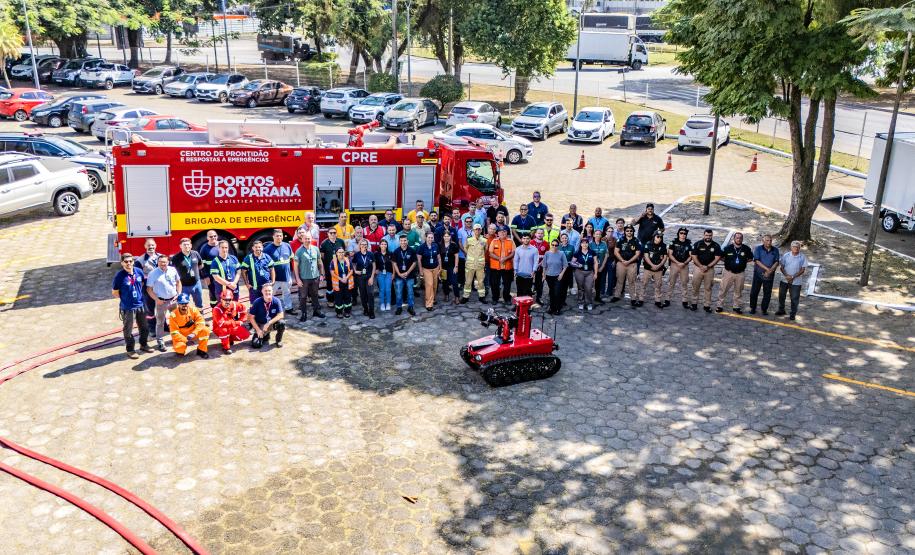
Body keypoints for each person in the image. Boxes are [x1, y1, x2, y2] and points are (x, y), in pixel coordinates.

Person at [112, 253, 152, 359]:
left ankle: (144, 345)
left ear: (133, 262)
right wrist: (126, 299)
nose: (128, 263)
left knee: (144, 327)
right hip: (128, 307)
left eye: (130, 261)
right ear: (122, 263)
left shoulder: (139, 271)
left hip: (140, 304)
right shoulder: (119, 276)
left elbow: (142, 283)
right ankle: (130, 350)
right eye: (126, 262)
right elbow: (115, 292)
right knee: (128, 329)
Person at [147, 254, 182, 352]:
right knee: (160, 322)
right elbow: (149, 289)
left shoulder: (173, 270)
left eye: (165, 262)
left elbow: (178, 282)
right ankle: (160, 341)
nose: (163, 264)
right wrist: (156, 299)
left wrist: (178, 294)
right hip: (161, 302)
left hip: (173, 300)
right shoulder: (153, 273)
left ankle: (178, 337)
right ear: (158, 263)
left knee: (177, 319)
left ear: (168, 262)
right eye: (160, 262)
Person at [717, 232, 754, 313]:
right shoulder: (727, 248)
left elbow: (751, 258)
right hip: (728, 272)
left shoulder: (746, 249)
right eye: (737, 238)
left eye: (740, 238)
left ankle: (736, 306)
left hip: (740, 273)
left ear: (742, 239)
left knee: (738, 290)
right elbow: (721, 257)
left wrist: (743, 262)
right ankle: (719, 305)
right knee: (723, 289)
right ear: (734, 239)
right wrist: (728, 262)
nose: (739, 239)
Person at [293, 232, 326, 321]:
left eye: (309, 238)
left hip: (315, 277)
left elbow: (319, 262)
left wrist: (322, 274)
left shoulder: (316, 249)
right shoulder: (299, 251)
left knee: (315, 294)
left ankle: (316, 311)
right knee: (303, 296)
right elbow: (295, 267)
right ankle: (304, 313)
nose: (307, 240)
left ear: (311, 239)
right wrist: (298, 279)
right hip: (304, 279)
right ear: (302, 239)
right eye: (305, 238)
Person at [689, 229, 723, 312]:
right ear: (704, 235)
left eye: (710, 235)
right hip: (698, 268)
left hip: (709, 269)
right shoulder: (697, 244)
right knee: (695, 287)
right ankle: (694, 304)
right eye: (706, 235)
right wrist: (701, 266)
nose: (708, 237)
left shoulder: (716, 245)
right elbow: (694, 256)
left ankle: (707, 305)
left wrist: (708, 266)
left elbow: (717, 258)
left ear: (712, 235)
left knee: (708, 288)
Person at [263, 229, 296, 315]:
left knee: (287, 293)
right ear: (273, 237)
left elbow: (291, 258)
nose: (279, 237)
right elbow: (265, 264)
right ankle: (268, 309)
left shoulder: (287, 246)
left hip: (286, 276)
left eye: (280, 236)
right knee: (270, 294)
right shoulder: (267, 249)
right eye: (277, 236)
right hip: (274, 279)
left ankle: (289, 308)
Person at [168, 292, 210, 358]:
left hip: (193, 333)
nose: (184, 305)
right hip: (181, 335)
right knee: (180, 349)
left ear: (188, 303)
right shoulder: (173, 315)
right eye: (182, 303)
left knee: (205, 330)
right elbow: (174, 332)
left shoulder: (193, 310)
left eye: (186, 303)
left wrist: (194, 333)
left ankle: (201, 350)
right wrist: (185, 340)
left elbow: (201, 322)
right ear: (178, 304)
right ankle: (180, 351)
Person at [137, 238, 165, 336]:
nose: (151, 247)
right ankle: (152, 328)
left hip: (161, 287)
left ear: (155, 246)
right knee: (150, 309)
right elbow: (138, 276)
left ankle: (164, 325)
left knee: (162, 307)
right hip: (148, 289)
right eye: (148, 245)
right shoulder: (140, 260)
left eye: (152, 245)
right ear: (145, 246)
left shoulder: (161, 257)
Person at [749, 234, 780, 315]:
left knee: (767, 293)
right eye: (767, 240)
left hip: (769, 275)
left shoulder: (775, 250)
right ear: (763, 241)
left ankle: (764, 309)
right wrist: (767, 269)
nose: (769, 242)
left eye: (770, 240)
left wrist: (770, 271)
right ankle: (753, 308)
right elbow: (757, 261)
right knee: (754, 292)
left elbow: (776, 262)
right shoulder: (758, 248)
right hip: (758, 274)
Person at [776, 241, 807, 320]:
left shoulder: (802, 257)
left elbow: (802, 270)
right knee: (781, 296)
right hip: (784, 279)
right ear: (791, 247)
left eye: (797, 247)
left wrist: (793, 277)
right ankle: (781, 310)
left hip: (796, 282)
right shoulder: (786, 255)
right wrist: (787, 276)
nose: (796, 248)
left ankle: (793, 314)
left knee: (794, 298)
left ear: (799, 248)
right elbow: (781, 267)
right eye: (794, 246)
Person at [212, 289, 249, 354]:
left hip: (231, 325)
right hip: (219, 328)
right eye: (225, 300)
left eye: (229, 300)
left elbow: (244, 309)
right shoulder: (217, 309)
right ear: (221, 300)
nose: (227, 302)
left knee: (245, 334)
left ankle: (229, 339)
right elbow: (222, 324)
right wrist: (237, 323)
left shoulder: (234, 304)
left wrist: (242, 320)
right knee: (224, 330)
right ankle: (226, 347)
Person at [171, 238, 204, 311]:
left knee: (199, 303)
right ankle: (185, 317)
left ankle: (200, 316)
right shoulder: (176, 258)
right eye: (184, 245)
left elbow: (201, 265)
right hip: (184, 286)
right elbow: (172, 271)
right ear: (180, 246)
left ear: (191, 245)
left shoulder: (195, 254)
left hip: (196, 284)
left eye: (188, 244)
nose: (186, 246)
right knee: (183, 304)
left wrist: (195, 272)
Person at [612, 225, 642, 305]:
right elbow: (616, 252)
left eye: (631, 231)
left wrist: (628, 262)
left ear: (633, 232)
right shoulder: (620, 240)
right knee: (619, 280)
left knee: (632, 281)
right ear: (625, 232)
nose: (629, 232)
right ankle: (617, 296)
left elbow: (637, 254)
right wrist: (622, 260)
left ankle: (633, 298)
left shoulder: (636, 241)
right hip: (621, 263)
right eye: (627, 231)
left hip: (632, 264)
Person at [249, 283, 285, 347]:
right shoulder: (257, 302)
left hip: (271, 323)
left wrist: (269, 323)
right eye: (265, 291)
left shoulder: (276, 301)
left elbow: (281, 315)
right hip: (261, 324)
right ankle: (266, 335)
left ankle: (278, 340)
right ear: (262, 291)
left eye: (269, 291)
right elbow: (251, 317)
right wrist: (258, 330)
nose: (267, 292)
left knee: (281, 323)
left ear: (272, 291)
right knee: (256, 345)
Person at [666, 228, 693, 308]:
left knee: (684, 283)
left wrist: (684, 263)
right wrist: (677, 263)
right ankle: (667, 299)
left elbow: (691, 256)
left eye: (684, 233)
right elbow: (670, 254)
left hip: (684, 265)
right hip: (675, 264)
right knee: (671, 282)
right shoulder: (673, 242)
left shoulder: (689, 243)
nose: (683, 235)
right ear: (678, 233)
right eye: (681, 233)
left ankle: (685, 301)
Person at [640, 232, 668, 308]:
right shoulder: (648, 244)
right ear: (654, 236)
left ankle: (657, 300)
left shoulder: (663, 246)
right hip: (648, 268)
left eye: (661, 237)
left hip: (659, 269)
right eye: (658, 236)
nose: (659, 238)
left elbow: (665, 257)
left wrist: (659, 266)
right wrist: (652, 265)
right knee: (644, 284)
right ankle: (641, 299)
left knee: (658, 285)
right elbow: (646, 256)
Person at [392, 235, 418, 316]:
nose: (403, 242)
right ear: (399, 241)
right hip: (399, 276)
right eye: (401, 241)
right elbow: (394, 263)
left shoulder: (412, 251)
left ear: (407, 241)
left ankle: (410, 307)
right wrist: (399, 273)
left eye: (405, 240)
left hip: (410, 275)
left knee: (410, 292)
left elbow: (414, 263)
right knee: (399, 292)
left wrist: (407, 272)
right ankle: (399, 307)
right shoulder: (396, 251)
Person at [488, 227, 515, 304]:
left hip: (507, 266)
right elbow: (490, 253)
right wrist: (499, 259)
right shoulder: (494, 241)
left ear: (507, 233)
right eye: (500, 232)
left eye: (504, 231)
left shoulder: (511, 241)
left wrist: (505, 258)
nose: (502, 233)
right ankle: (495, 298)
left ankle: (507, 299)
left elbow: (513, 252)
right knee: (494, 283)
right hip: (495, 266)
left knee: (507, 284)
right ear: (498, 233)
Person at [462, 223, 487, 303]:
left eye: (479, 229)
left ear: (481, 230)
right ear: (473, 230)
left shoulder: (484, 240)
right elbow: (465, 248)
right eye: (476, 229)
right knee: (468, 281)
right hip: (470, 264)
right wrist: (470, 255)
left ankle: (482, 296)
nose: (477, 231)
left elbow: (485, 250)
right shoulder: (469, 239)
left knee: (481, 282)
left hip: (480, 265)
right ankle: (465, 297)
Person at [543, 239, 569, 315]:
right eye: (553, 245)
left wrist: (561, 274)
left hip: (558, 276)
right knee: (551, 292)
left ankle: (558, 308)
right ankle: (552, 307)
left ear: (558, 246)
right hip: (549, 276)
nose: (554, 246)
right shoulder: (547, 253)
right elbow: (544, 265)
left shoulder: (561, 253)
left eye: (556, 245)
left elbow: (565, 265)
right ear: (551, 245)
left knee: (557, 292)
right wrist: (544, 274)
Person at [416, 232, 441, 311]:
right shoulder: (421, 247)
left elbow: (439, 257)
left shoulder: (435, 245)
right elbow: (419, 260)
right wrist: (421, 270)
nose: (430, 239)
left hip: (435, 268)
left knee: (435, 285)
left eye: (431, 237)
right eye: (429, 237)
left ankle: (433, 298)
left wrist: (440, 268)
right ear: (425, 238)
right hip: (426, 269)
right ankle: (429, 304)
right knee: (429, 285)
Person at [571, 239, 597, 311]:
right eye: (583, 243)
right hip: (579, 272)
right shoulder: (577, 252)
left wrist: (596, 273)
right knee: (580, 288)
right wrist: (577, 265)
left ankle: (589, 303)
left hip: (590, 272)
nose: (585, 244)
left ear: (588, 244)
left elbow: (595, 262)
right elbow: (572, 262)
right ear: (581, 244)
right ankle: (581, 302)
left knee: (589, 288)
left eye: (586, 243)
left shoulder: (592, 252)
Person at [320, 228, 345, 303]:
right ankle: (330, 300)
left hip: (340, 267)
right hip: (329, 268)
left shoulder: (341, 241)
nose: (333, 234)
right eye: (331, 233)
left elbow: (343, 253)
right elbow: (322, 257)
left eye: (334, 232)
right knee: (330, 285)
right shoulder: (324, 243)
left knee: (340, 284)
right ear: (327, 234)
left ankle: (339, 299)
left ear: (336, 233)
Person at [353, 239, 376, 318]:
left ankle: (371, 311)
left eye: (365, 244)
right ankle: (365, 309)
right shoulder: (357, 255)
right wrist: (355, 271)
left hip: (369, 276)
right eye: (362, 244)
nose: (364, 246)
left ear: (367, 245)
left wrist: (372, 277)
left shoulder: (371, 254)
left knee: (370, 293)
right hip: (360, 277)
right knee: (362, 294)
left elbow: (374, 266)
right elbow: (353, 263)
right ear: (359, 246)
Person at [198, 230, 221, 309]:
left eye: (215, 236)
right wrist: (205, 276)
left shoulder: (221, 245)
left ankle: (222, 310)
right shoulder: (204, 248)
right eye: (211, 236)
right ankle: (214, 309)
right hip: (210, 276)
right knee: (213, 293)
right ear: (207, 238)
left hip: (221, 274)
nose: (213, 238)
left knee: (223, 292)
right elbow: (201, 265)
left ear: (217, 236)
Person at [330, 247, 355, 318]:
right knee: (338, 298)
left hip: (347, 282)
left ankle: (347, 311)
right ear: (336, 253)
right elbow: (332, 273)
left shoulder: (347, 260)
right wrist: (341, 279)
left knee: (348, 297)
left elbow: (351, 270)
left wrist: (346, 278)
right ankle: (339, 312)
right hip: (338, 283)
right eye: (339, 252)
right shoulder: (333, 261)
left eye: (342, 252)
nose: (341, 253)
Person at [440, 230, 461, 304]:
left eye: (448, 236)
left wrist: (456, 266)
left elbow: (456, 256)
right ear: (443, 237)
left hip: (452, 266)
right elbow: (439, 257)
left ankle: (457, 297)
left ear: (450, 237)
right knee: (445, 282)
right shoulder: (440, 245)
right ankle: (446, 295)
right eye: (445, 236)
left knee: (454, 282)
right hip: (443, 267)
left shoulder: (453, 245)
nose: (446, 237)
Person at [375, 239, 395, 311]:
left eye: (385, 244)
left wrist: (394, 273)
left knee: (388, 289)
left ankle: (388, 303)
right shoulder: (376, 254)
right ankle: (382, 303)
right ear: (380, 245)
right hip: (380, 273)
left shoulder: (390, 253)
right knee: (382, 289)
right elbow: (374, 263)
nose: (383, 245)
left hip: (389, 273)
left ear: (387, 245)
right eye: (382, 244)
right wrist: (375, 269)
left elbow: (393, 264)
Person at [591, 229, 610, 304]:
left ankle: (597, 297)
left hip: (601, 266)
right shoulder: (590, 244)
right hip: (592, 267)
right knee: (590, 282)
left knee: (599, 282)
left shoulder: (604, 244)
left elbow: (606, 255)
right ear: (594, 235)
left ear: (601, 235)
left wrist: (602, 266)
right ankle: (588, 297)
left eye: (599, 234)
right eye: (596, 234)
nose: (598, 235)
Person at [558, 232, 576, 308]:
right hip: (559, 268)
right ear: (560, 239)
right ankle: (559, 299)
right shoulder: (558, 247)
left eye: (566, 238)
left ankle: (563, 300)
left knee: (566, 284)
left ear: (568, 239)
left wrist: (572, 263)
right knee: (560, 284)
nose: (564, 239)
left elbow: (574, 257)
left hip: (569, 268)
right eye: (563, 238)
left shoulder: (571, 247)